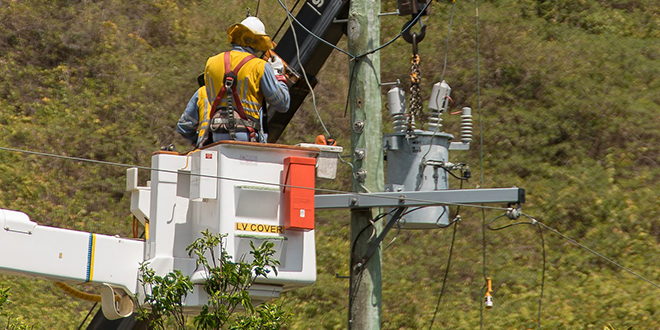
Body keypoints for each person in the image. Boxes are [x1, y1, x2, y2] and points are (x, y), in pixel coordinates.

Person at [177, 16, 289, 147]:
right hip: (246, 134)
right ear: (259, 42)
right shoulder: (260, 66)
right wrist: (278, 74)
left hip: (216, 134)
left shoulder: (212, 63)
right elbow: (283, 104)